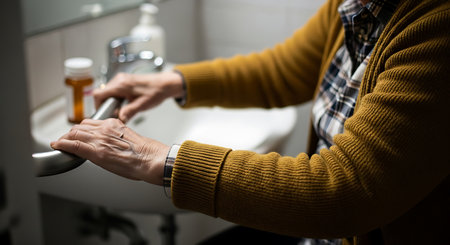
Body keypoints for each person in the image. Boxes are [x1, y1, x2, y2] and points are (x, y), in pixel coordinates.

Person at [51, 0, 450, 244]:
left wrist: (158, 157)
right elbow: (282, 71)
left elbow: (344, 190)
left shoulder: (437, 26)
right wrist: (175, 83)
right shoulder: (357, 5)